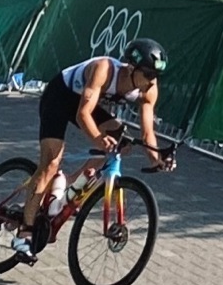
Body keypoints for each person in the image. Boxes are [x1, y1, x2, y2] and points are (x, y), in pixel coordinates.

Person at [14, 37, 172, 260]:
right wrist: (98, 138)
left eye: (155, 76)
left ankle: (68, 187)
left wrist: (157, 158)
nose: (151, 81)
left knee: (121, 140)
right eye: (147, 74)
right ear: (131, 67)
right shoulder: (104, 69)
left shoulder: (149, 89)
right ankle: (25, 232)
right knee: (50, 162)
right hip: (60, 97)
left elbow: (147, 133)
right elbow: (83, 114)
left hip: (87, 105)